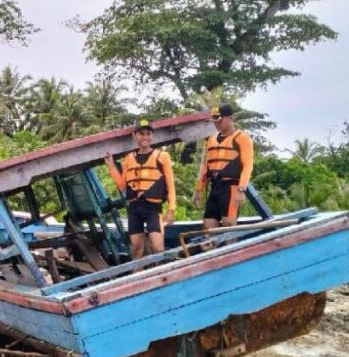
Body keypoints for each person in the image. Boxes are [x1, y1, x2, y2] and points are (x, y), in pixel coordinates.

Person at [105, 119, 176, 261]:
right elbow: (123, 186)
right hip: (135, 208)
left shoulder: (162, 156)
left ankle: (161, 276)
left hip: (153, 208)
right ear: (135, 136)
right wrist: (112, 167)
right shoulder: (129, 159)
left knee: (158, 247)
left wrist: (171, 209)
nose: (145, 137)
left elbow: (170, 184)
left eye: (148, 133)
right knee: (136, 249)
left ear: (152, 135)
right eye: (141, 134)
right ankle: (137, 275)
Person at [193, 104, 254, 229]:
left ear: (230, 118)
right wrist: (199, 189)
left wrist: (241, 189)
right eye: (214, 120)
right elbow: (207, 166)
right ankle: (211, 248)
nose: (216, 123)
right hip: (215, 187)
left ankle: (234, 248)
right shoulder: (211, 139)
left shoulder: (242, 138)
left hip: (231, 187)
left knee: (229, 224)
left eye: (219, 120)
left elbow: (248, 166)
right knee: (208, 225)